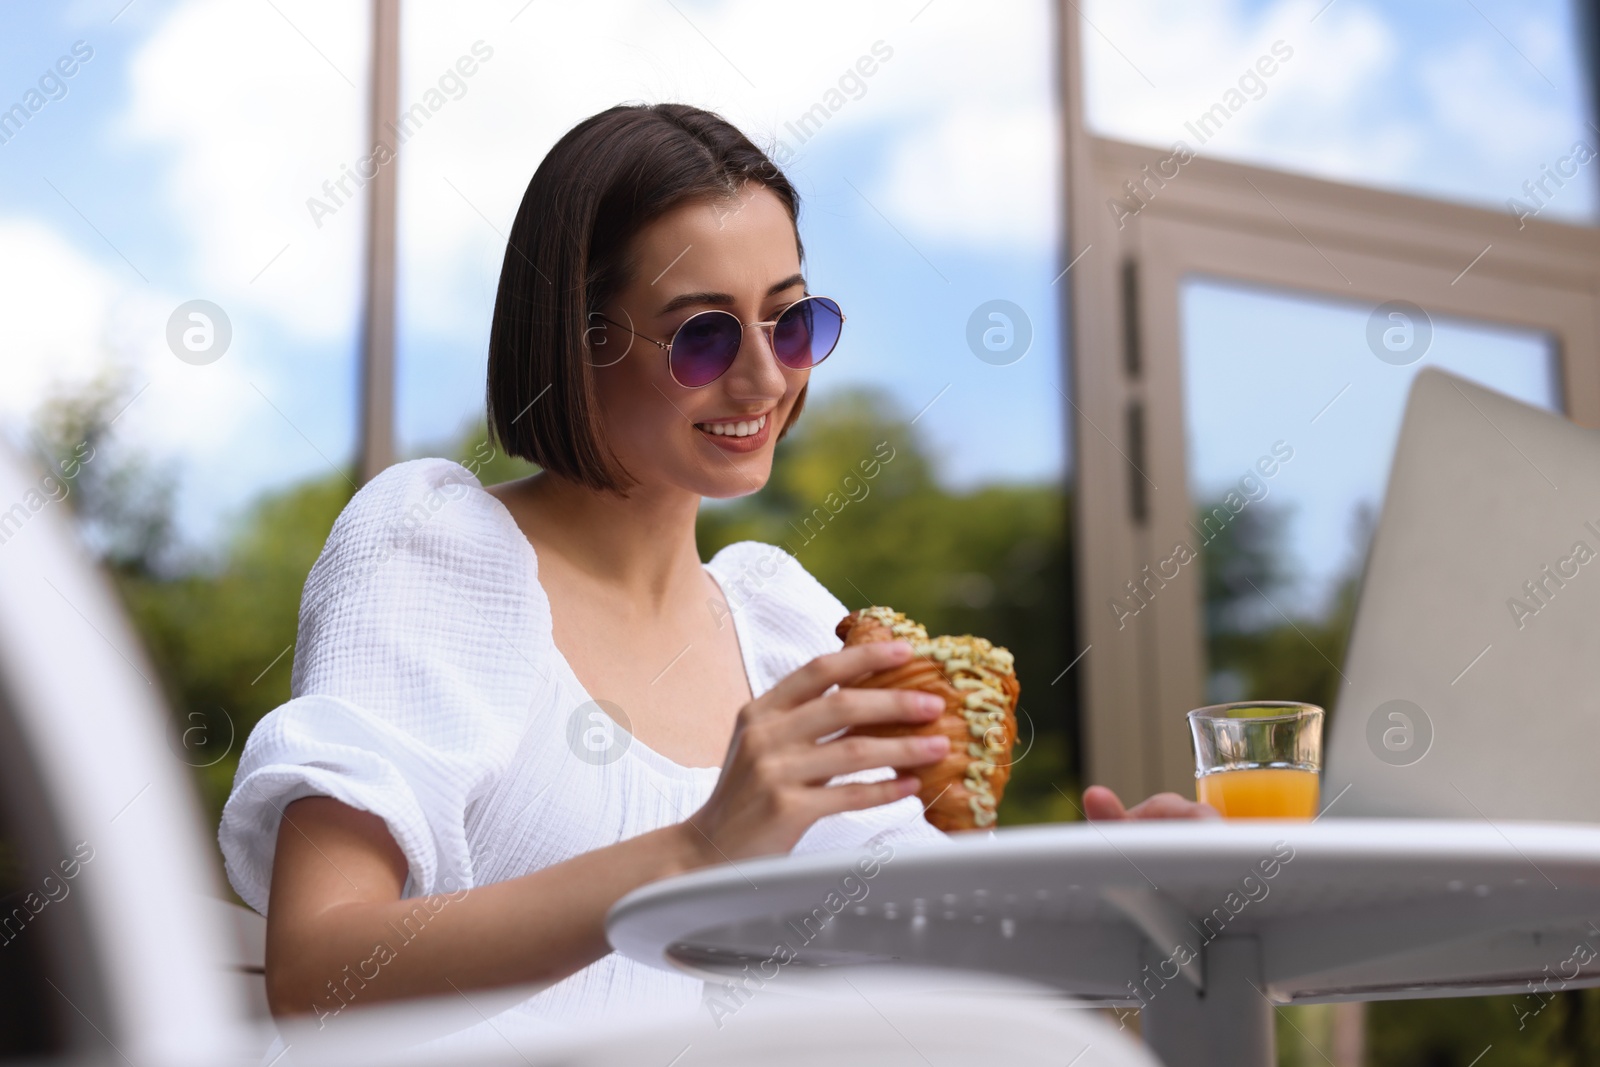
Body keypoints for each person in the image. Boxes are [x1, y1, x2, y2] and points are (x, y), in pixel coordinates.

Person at [217, 102, 1208, 1037]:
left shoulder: (786, 626)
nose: (767, 377)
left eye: (792, 322)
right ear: (576, 339)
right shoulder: (438, 549)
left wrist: (1125, 906)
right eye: (703, 334)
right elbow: (317, 972)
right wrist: (696, 852)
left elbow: (942, 982)